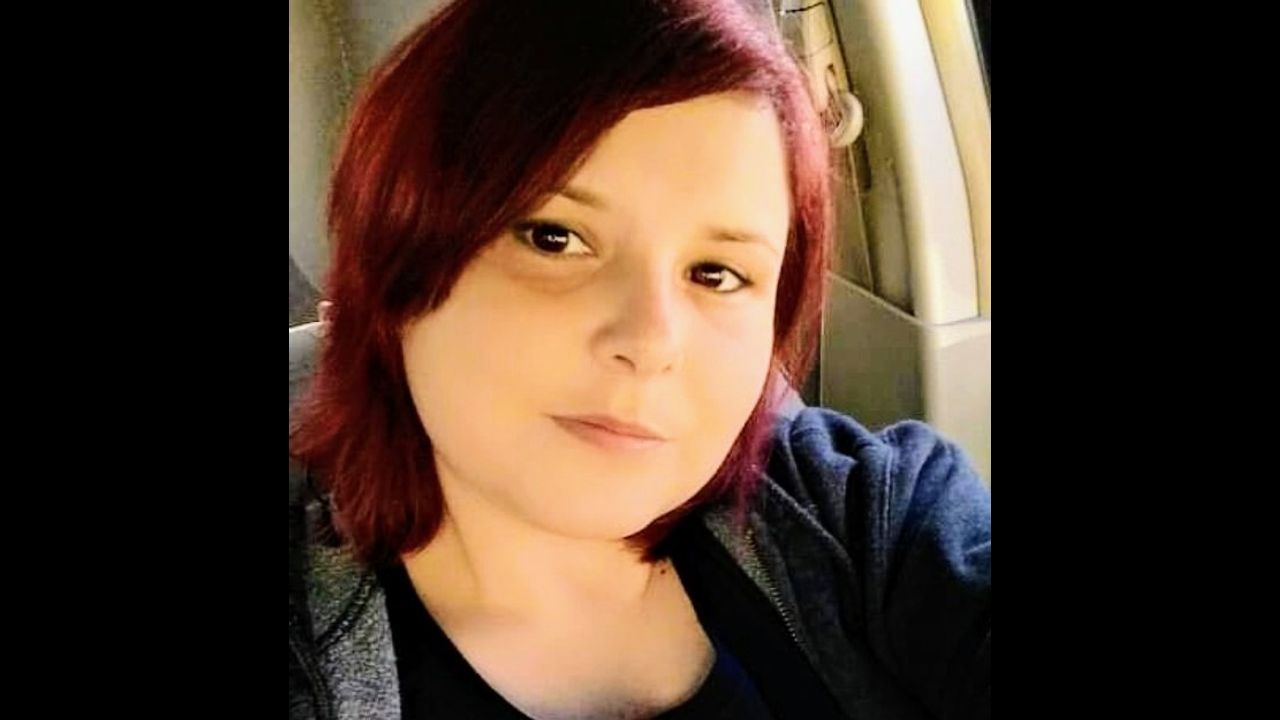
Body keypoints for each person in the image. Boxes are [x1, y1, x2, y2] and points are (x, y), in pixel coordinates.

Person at [289, 1, 990, 718]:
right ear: (395, 254)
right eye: (555, 238)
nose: (653, 342)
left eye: (716, 274)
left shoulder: (866, 513)